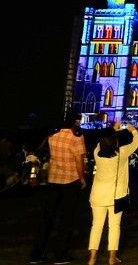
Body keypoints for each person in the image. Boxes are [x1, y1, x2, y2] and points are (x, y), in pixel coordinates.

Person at [31, 114, 87, 265]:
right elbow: (79, 162)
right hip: (70, 180)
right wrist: (82, 178)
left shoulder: (52, 137)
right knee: (66, 219)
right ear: (74, 123)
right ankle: (60, 254)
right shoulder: (76, 139)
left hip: (54, 180)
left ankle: (37, 253)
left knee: (47, 217)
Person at [87, 121, 138, 265]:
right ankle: (112, 257)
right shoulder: (121, 153)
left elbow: (101, 143)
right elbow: (137, 142)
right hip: (116, 196)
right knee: (114, 226)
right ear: (115, 141)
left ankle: (92, 257)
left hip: (97, 195)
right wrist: (132, 130)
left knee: (96, 226)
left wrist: (113, 129)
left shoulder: (97, 153)